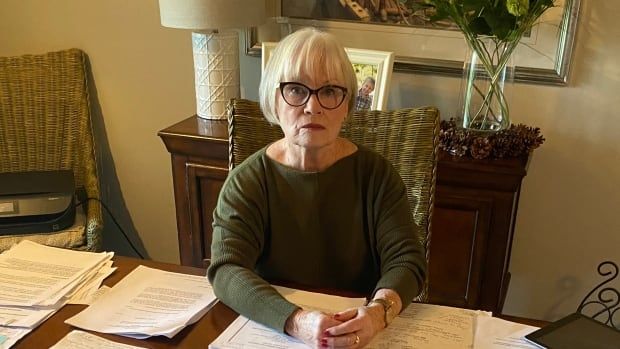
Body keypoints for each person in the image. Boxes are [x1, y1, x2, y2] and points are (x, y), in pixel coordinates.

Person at [207, 27, 427, 349]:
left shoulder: (377, 175)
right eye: (296, 90)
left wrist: (379, 312)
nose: (313, 107)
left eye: (329, 91)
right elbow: (227, 269)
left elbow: (407, 261)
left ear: (347, 103)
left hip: (360, 334)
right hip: (275, 332)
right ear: (274, 98)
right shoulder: (248, 180)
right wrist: (297, 321)